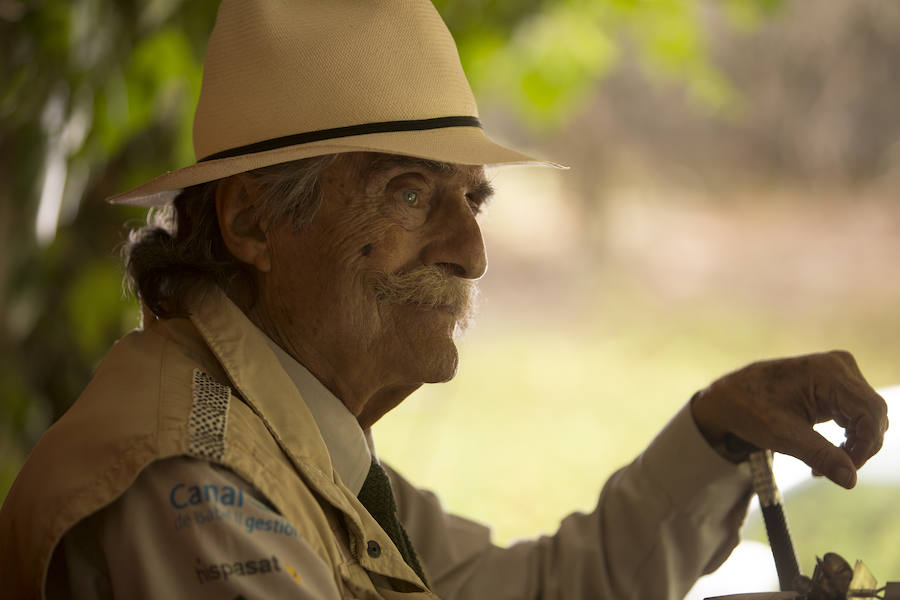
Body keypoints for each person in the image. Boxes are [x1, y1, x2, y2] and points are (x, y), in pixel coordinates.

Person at [0, 1, 888, 599]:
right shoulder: (189, 489)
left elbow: (537, 589)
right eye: (409, 194)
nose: (471, 253)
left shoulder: (296, 446)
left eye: (474, 198)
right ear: (252, 221)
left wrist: (717, 432)